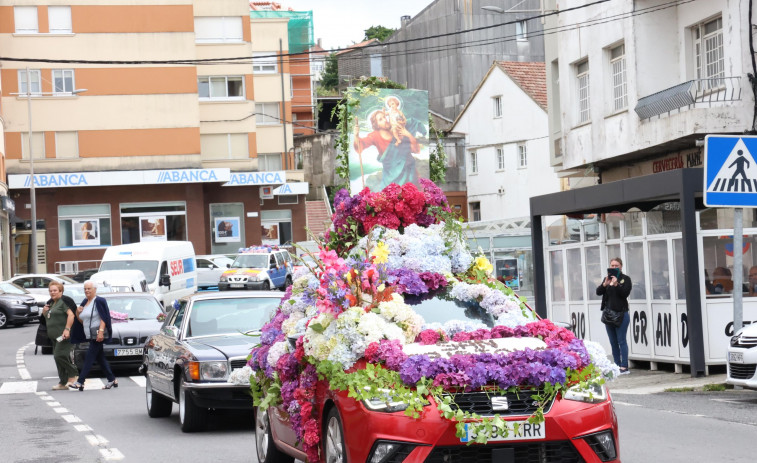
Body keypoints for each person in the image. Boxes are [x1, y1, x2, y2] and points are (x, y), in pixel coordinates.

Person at [353, 109, 420, 189]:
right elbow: (361, 145)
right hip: (390, 174)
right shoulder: (374, 136)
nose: (385, 120)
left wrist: (409, 135)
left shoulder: (396, 129)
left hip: (409, 171)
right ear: (376, 124)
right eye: (381, 119)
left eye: (385, 117)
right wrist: (356, 136)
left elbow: (415, 150)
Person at [69, 281, 117, 390]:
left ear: (95, 289)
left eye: (89, 288)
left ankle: (80, 381)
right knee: (100, 358)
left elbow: (104, 317)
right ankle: (112, 379)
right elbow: (82, 321)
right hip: (89, 335)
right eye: (85, 289)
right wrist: (77, 312)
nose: (86, 291)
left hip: (97, 335)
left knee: (89, 357)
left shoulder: (99, 301)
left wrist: (100, 331)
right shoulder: (85, 301)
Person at [596, 257, 633, 375]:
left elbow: (624, 294)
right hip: (608, 315)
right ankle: (616, 364)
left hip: (621, 314)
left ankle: (624, 366)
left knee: (621, 340)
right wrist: (605, 284)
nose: (614, 268)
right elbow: (598, 292)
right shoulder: (607, 279)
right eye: (612, 266)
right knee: (613, 341)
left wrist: (617, 284)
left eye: (616, 265)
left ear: (621, 266)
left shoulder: (625, 279)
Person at [41, 282, 78, 390]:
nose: (52, 293)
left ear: (61, 291)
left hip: (64, 336)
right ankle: (63, 382)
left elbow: (71, 315)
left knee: (59, 355)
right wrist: (44, 312)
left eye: (55, 290)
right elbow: (47, 318)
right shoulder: (51, 303)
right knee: (58, 359)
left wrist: (67, 329)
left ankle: (73, 374)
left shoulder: (64, 301)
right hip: (54, 337)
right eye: (50, 291)